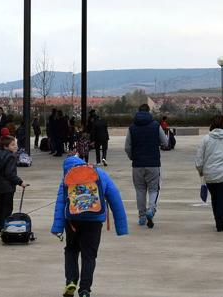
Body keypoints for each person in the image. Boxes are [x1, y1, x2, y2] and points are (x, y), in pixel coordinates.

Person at [51, 156, 128, 297]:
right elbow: (115, 196)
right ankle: (85, 289)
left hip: (72, 221)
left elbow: (60, 203)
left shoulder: (67, 178)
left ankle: (70, 281)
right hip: (94, 221)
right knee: (89, 255)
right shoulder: (99, 174)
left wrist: (57, 227)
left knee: (71, 250)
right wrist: (121, 227)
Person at [125, 104, 168, 229]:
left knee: (140, 190)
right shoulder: (156, 126)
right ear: (149, 112)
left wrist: (132, 157)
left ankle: (142, 216)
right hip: (153, 164)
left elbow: (127, 147)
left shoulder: (132, 128)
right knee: (154, 189)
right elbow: (165, 142)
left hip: (137, 165)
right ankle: (151, 209)